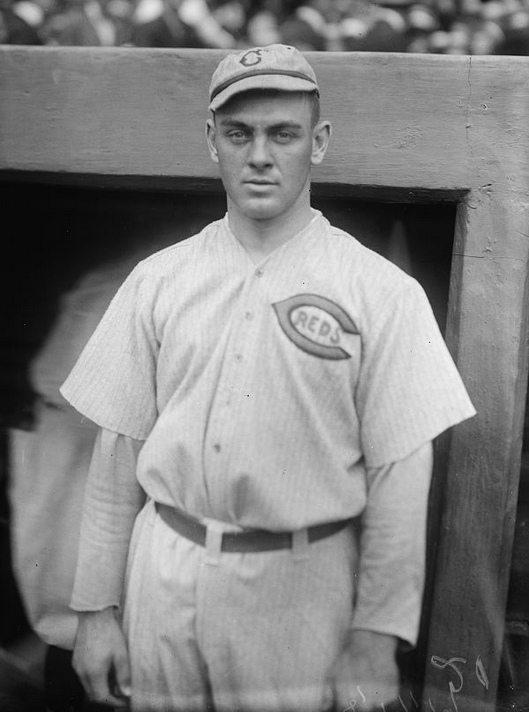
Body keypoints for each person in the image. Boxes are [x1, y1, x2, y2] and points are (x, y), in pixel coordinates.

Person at [61, 44, 476, 712]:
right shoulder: (159, 279)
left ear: (317, 143)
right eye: (239, 133)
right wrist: (95, 611)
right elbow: (115, 458)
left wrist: (375, 638)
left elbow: (401, 476)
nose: (259, 155)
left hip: (299, 584)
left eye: (282, 134)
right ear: (211, 141)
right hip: (162, 572)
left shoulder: (380, 292)